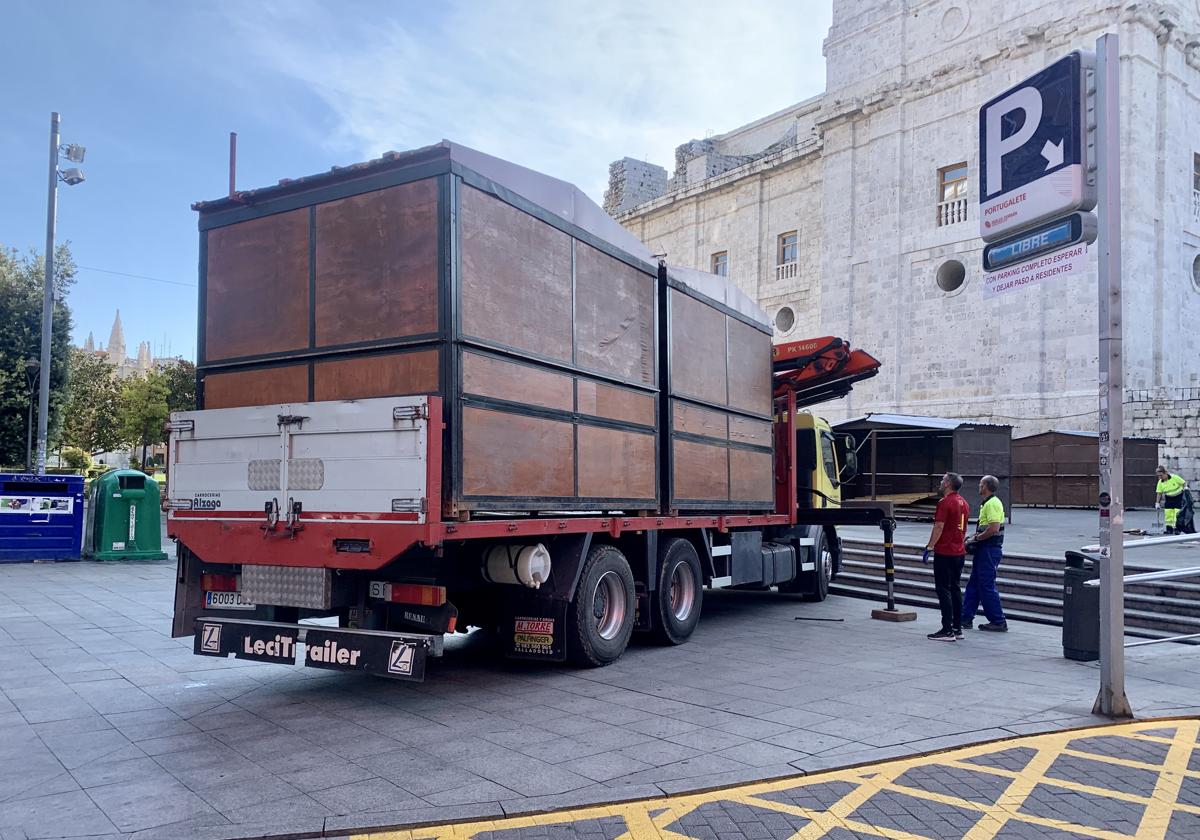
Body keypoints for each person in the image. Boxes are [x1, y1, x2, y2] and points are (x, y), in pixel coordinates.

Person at [923, 472, 971, 642]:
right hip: (959, 551)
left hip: (945, 551)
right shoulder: (963, 503)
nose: (940, 482)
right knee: (955, 588)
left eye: (943, 480)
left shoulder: (945, 503)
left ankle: (947, 629)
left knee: (943, 589)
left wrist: (930, 547)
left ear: (949, 484)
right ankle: (957, 628)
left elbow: (939, 526)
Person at [962, 475, 1007, 632]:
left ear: (986, 486)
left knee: (986, 586)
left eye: (981, 484)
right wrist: (972, 538)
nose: (978, 487)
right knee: (974, 583)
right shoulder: (987, 504)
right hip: (985, 549)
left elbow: (993, 528)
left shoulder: (992, 504)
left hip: (989, 549)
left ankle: (998, 620)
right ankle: (965, 618)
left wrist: (976, 539)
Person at [1156, 466, 1195, 535]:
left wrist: (1185, 488)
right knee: (1168, 514)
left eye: (1161, 475)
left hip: (1178, 498)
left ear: (1165, 473)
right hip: (1169, 498)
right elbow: (1159, 493)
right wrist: (1157, 503)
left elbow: (1183, 483)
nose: (1160, 477)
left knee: (1177, 514)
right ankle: (1169, 529)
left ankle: (1177, 529)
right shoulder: (1160, 482)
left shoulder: (1174, 477)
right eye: (1158, 476)